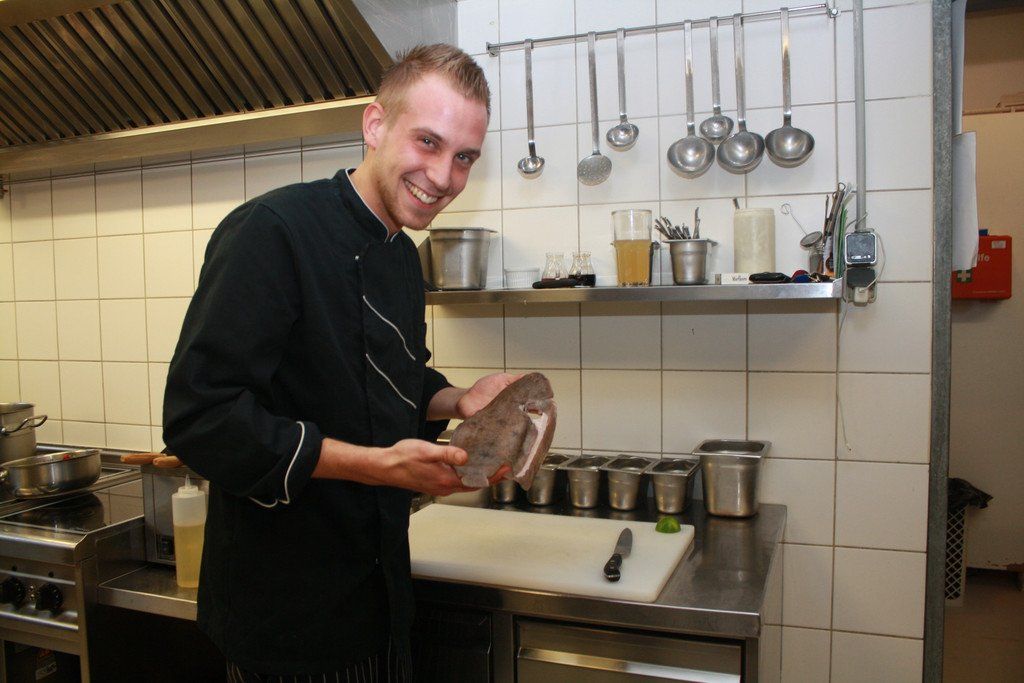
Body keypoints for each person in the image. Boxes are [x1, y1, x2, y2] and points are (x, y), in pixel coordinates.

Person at [163, 44, 513, 681]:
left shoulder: (401, 255)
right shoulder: (273, 230)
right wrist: (378, 467)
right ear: (375, 124)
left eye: (464, 157)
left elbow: (389, 379)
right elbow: (202, 418)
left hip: (379, 600)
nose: (443, 176)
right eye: (428, 142)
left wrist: (459, 399)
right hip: (287, 618)